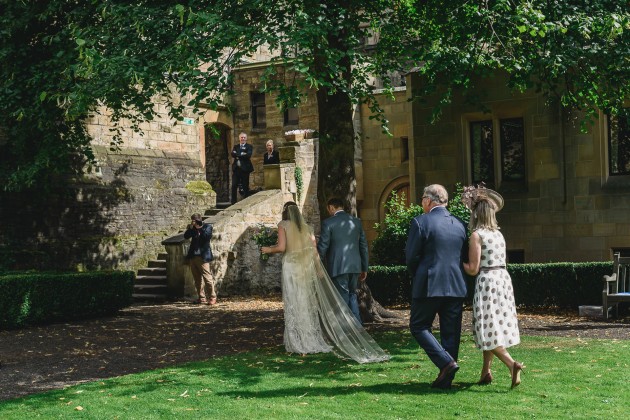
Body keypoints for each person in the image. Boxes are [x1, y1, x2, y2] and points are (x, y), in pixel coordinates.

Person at [261, 202, 389, 364]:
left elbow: (282, 247)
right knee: (311, 302)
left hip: (292, 268)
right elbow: (315, 250)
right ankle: (354, 330)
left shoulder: (284, 225)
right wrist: (319, 270)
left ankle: (303, 339)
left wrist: (267, 249)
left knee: (296, 302)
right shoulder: (308, 228)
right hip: (309, 268)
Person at [405, 184, 468, 389]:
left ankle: (446, 363)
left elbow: (411, 258)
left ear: (429, 201)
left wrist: (419, 275)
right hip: (456, 285)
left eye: (422, 198)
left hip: (429, 284)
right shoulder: (459, 224)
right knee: (451, 332)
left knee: (418, 326)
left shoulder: (420, 222)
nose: (421, 202)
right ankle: (446, 379)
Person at [462, 185, 524, 389]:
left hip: (487, 281)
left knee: (486, 329)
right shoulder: (498, 234)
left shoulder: (477, 235)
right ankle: (485, 371)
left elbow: (473, 268)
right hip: (503, 280)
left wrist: (456, 262)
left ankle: (511, 364)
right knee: (493, 326)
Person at [317, 198, 368, 323]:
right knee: (352, 295)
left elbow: (323, 246)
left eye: (328, 209)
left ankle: (346, 329)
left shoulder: (328, 223)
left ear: (331, 207)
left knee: (342, 299)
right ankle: (357, 326)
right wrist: (364, 267)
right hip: (355, 266)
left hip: (338, 266)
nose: (328, 211)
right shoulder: (356, 222)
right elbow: (363, 246)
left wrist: (317, 262)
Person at [184, 213, 216, 305]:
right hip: (193, 256)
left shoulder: (207, 227)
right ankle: (201, 298)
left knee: (207, 277)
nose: (194, 222)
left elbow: (206, 237)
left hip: (203, 257)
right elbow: (186, 236)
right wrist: (191, 228)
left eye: (195, 220)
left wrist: (200, 228)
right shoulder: (192, 228)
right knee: (197, 279)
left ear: (200, 220)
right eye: (193, 220)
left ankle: (212, 297)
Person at [231, 132, 254, 204]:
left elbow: (248, 155)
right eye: (241, 137)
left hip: (245, 169)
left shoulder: (249, 146)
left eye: (244, 137)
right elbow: (232, 154)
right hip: (236, 169)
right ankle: (233, 202)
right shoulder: (236, 146)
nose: (243, 139)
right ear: (239, 138)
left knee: (245, 185)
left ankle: (246, 202)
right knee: (234, 185)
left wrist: (238, 154)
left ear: (246, 138)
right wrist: (242, 153)